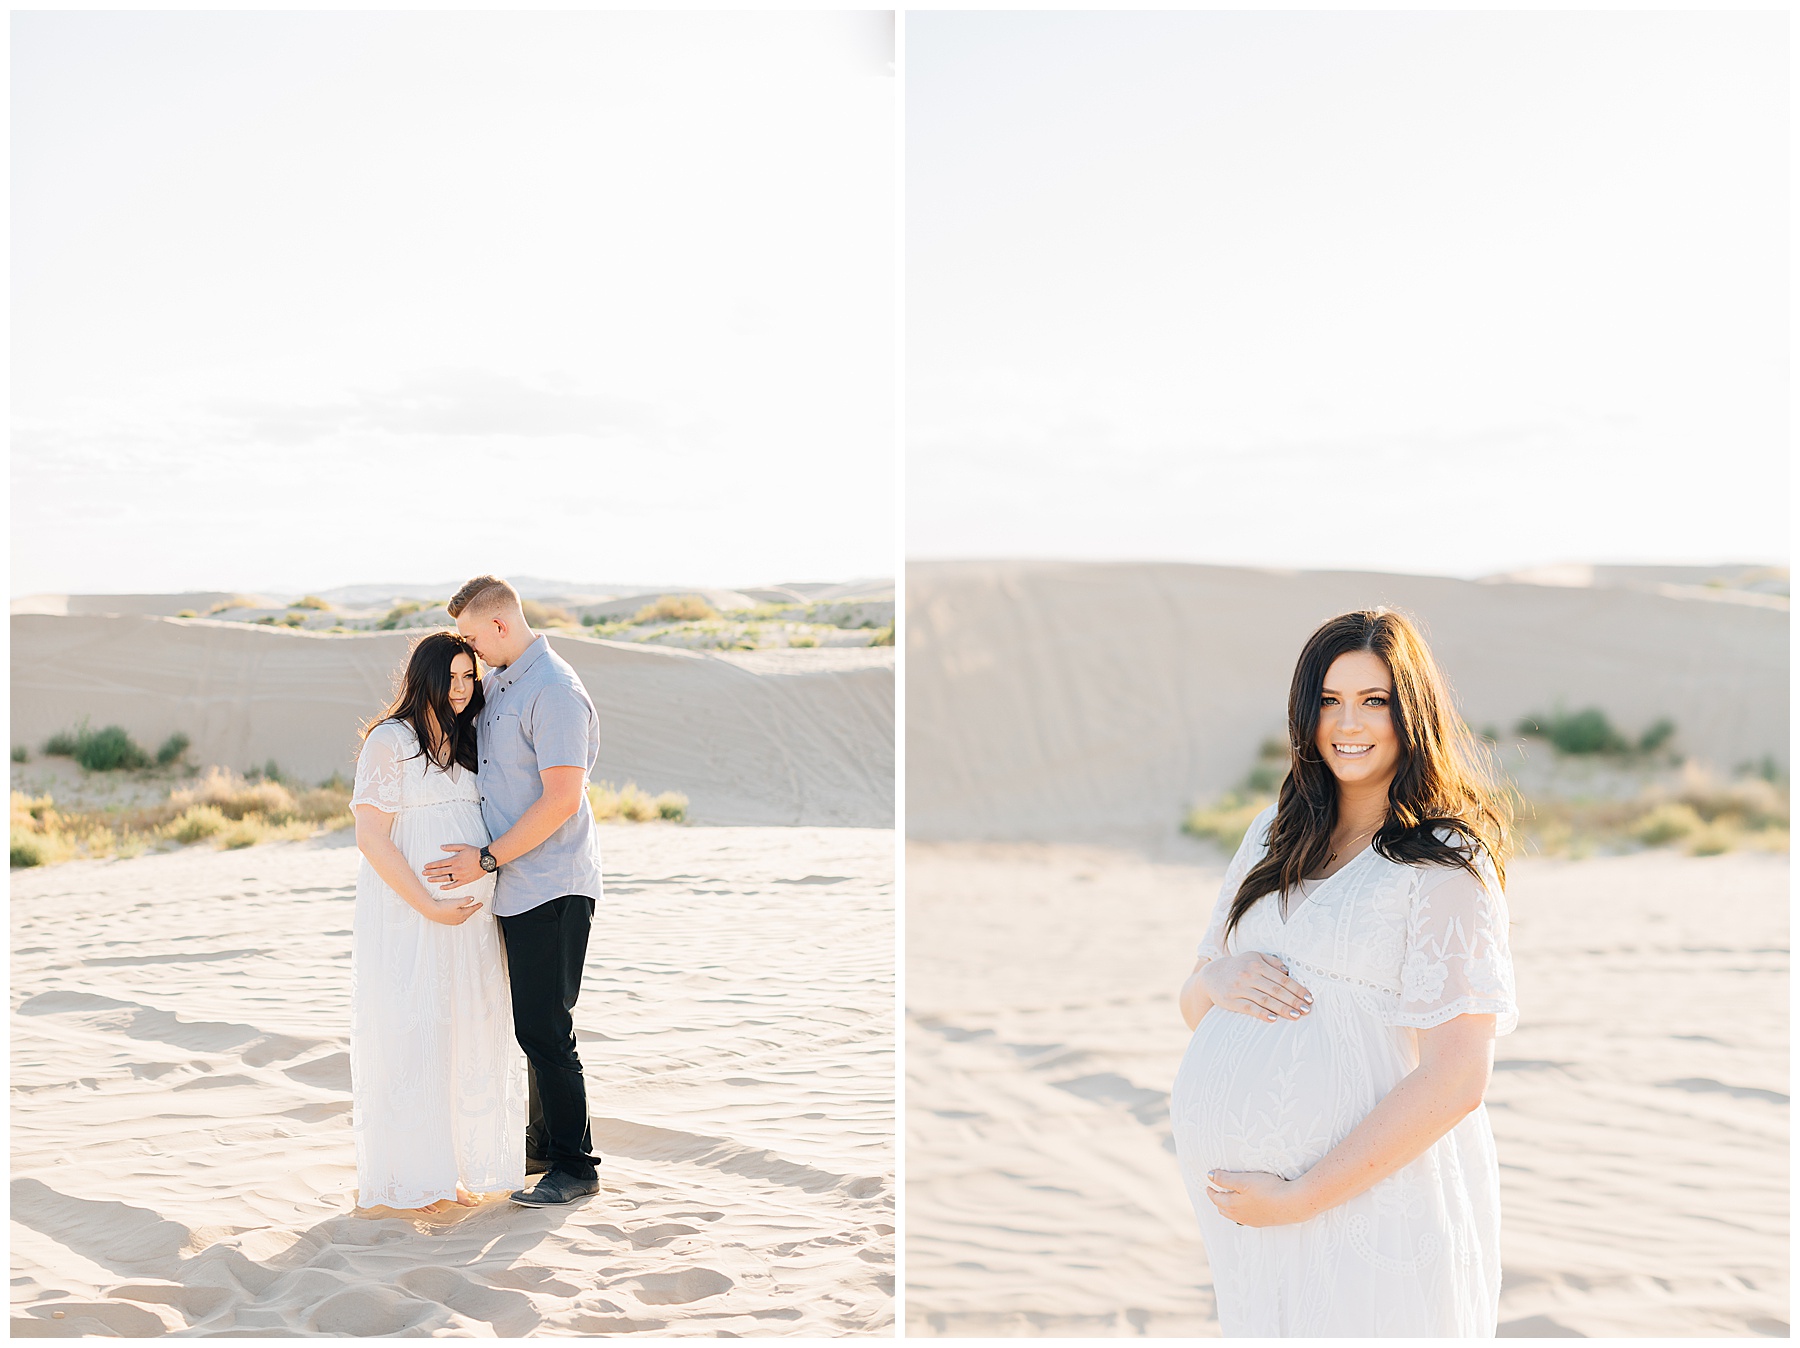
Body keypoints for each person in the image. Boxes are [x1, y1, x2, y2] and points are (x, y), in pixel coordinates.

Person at [1170, 607, 1518, 1336]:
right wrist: (1217, 980)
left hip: (1369, 1207)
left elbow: (1458, 1079)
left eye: (1374, 700)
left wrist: (1303, 1196)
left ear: (1411, 713)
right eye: (1329, 700)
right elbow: (1196, 1001)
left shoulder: (1444, 860)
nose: (1347, 722)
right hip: (1254, 1228)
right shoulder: (1272, 834)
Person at [425, 574, 607, 1208]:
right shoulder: (505, 682)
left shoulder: (554, 691)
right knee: (530, 1022)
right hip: (517, 884)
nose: (470, 652)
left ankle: (576, 1165)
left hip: (552, 882)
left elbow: (561, 800)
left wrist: (486, 858)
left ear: (500, 626)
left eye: (473, 637)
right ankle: (539, 1145)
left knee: (547, 1027)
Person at [349, 632, 526, 1212]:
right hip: (413, 916)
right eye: (449, 676)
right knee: (416, 1028)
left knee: (468, 1029)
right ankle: (416, 1176)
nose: (459, 689)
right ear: (420, 676)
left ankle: (466, 1165)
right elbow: (371, 836)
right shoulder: (391, 742)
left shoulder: (469, 739)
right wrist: (427, 905)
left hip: (472, 923)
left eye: (468, 677)